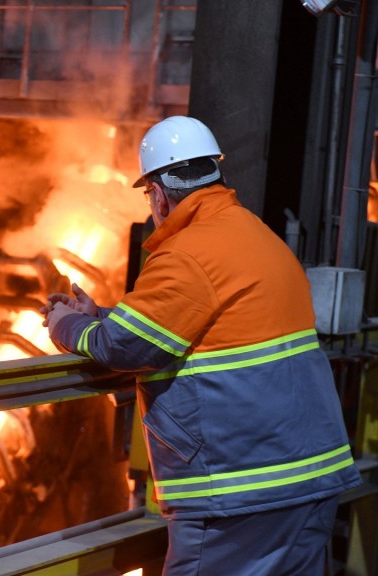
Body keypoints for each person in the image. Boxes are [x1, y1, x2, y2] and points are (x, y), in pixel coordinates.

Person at [41, 116, 362, 574]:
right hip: (308, 481)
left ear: (159, 193)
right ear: (215, 174)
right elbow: (206, 325)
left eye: (149, 194)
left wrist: (65, 324)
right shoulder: (255, 235)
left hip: (238, 492)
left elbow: (125, 349)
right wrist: (107, 315)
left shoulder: (187, 253)